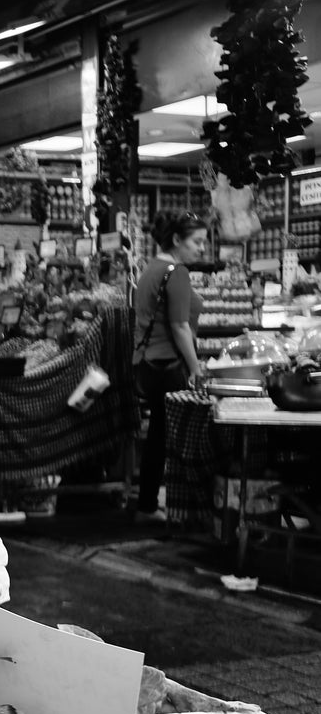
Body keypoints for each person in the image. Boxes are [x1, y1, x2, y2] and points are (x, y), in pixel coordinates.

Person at [132, 211, 208, 522]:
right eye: (197, 242)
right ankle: (160, 506)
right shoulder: (176, 271)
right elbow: (179, 327)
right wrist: (195, 368)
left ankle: (148, 503)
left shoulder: (152, 267)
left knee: (159, 436)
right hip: (167, 363)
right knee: (174, 437)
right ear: (177, 240)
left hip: (147, 363)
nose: (202, 248)